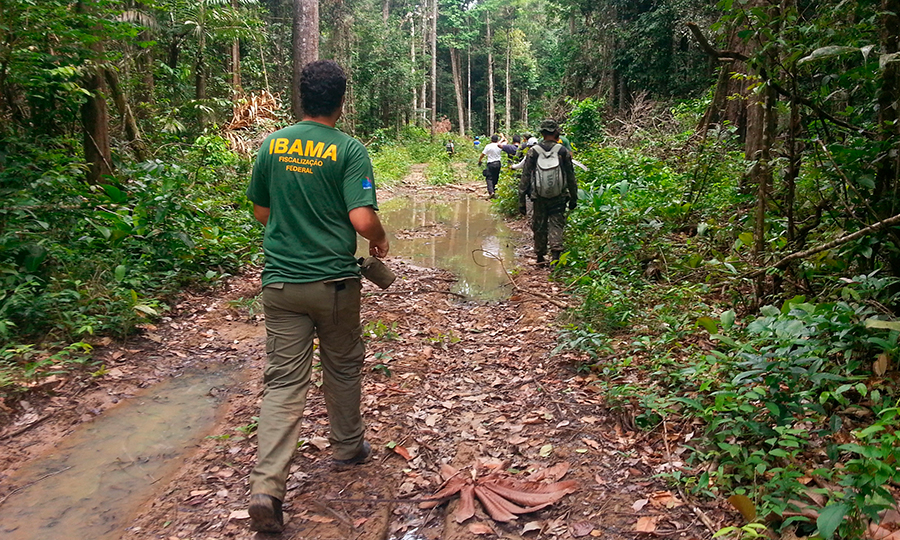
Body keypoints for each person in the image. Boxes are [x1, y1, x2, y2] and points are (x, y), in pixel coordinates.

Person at [244, 60, 389, 534]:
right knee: (342, 365)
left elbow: (262, 211)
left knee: (284, 382)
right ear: (341, 102)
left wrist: (295, 231)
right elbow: (362, 219)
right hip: (333, 284)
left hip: (281, 284)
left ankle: (267, 487)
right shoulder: (349, 150)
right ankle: (348, 447)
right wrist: (379, 240)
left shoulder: (272, 145)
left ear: (302, 98)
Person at [519, 119, 577, 264]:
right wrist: (574, 197)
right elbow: (570, 176)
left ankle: (540, 256)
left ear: (542, 133)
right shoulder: (563, 151)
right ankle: (556, 256)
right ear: (556, 132)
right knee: (556, 223)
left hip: (538, 196)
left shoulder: (533, 151)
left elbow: (525, 177)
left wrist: (521, 200)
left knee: (540, 224)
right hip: (559, 195)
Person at [478, 134, 504, 198]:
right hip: (498, 163)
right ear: (497, 140)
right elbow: (506, 141)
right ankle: (494, 191)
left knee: (489, 178)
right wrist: (502, 137)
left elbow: (483, 154)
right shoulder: (499, 146)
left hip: (491, 163)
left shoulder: (488, 146)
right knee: (496, 177)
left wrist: (480, 160)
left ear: (491, 140)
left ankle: (491, 191)